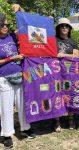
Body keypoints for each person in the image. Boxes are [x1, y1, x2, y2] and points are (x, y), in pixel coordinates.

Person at [0, 5, 35, 149]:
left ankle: (25, 129)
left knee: (22, 105)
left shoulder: (13, 36)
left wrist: (20, 9)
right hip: (4, 78)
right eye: (3, 24)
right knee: (6, 108)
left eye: (7, 24)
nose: (6, 27)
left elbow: (28, 24)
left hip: (19, 75)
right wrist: (12, 58)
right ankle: (7, 135)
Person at [55, 18, 79, 132]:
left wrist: (63, 54)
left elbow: (76, 56)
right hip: (56, 73)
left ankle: (71, 119)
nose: (64, 27)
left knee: (70, 94)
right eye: (62, 25)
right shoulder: (53, 40)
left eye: (66, 26)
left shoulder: (72, 42)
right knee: (56, 95)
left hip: (69, 74)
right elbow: (49, 54)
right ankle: (57, 120)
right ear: (58, 28)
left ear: (69, 29)